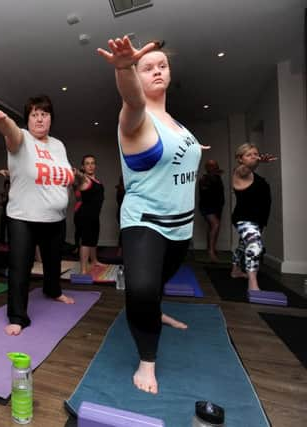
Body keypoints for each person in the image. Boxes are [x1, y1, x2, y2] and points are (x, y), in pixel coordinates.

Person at [97, 37, 208, 394]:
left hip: (181, 226)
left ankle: (155, 311)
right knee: (143, 289)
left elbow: (182, 153)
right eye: (148, 67)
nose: (157, 70)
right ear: (138, 76)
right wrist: (124, 67)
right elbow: (131, 98)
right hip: (144, 221)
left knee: (158, 281)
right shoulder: (136, 118)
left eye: (162, 65)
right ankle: (147, 359)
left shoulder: (177, 125)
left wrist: (195, 148)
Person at [0, 95, 76, 337]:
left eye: (44, 114)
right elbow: (10, 132)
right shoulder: (21, 140)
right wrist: (2, 120)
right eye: (34, 114)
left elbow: (64, 175)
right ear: (27, 119)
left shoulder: (58, 145)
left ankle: (53, 291)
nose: (40, 118)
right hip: (24, 217)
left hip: (55, 218)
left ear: (51, 118)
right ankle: (18, 316)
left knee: (53, 262)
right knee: (20, 267)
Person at [229, 143, 275, 291]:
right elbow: (246, 168)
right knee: (255, 246)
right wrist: (259, 161)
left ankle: (235, 270)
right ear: (240, 159)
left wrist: (256, 161)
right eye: (249, 155)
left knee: (243, 245)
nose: (254, 157)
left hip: (258, 219)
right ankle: (253, 284)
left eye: (256, 154)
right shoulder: (240, 172)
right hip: (244, 218)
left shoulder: (256, 176)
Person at [73, 155, 105, 273]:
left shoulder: (96, 180)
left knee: (93, 239)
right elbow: (79, 176)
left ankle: (94, 260)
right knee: (86, 241)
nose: (90, 166)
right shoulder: (84, 179)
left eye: (92, 163)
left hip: (94, 215)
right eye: (87, 163)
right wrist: (76, 172)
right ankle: (83, 269)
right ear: (83, 166)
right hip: (84, 215)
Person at [198, 159, 225, 262]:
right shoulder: (204, 179)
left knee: (212, 227)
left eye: (215, 165)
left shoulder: (217, 177)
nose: (213, 167)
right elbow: (205, 191)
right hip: (207, 207)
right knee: (215, 225)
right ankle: (211, 252)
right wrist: (212, 176)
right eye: (210, 166)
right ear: (207, 168)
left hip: (217, 206)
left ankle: (211, 248)